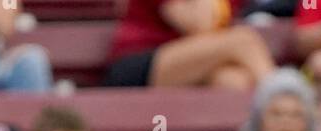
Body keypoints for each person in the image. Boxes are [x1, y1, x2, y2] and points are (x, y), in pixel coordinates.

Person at [105, 0, 274, 91]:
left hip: (193, 63)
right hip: (139, 61)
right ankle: (284, 95)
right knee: (243, 40)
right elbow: (200, 24)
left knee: (233, 82)